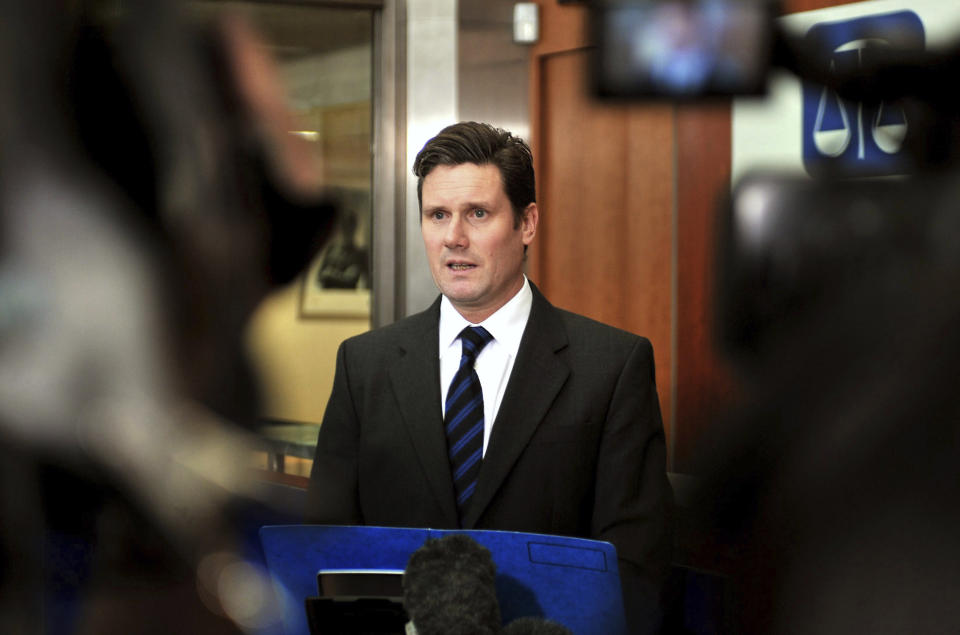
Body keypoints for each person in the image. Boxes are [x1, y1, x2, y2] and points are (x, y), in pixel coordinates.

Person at [306, 121, 672, 632]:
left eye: (477, 214)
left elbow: (633, 571)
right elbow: (323, 552)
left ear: (527, 223)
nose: (454, 237)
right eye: (437, 215)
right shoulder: (363, 365)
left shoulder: (611, 367)